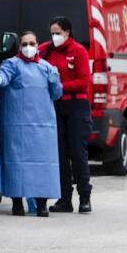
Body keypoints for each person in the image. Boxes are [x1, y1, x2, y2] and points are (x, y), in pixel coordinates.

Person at [0, 32, 63, 217]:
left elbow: (57, 94)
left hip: (43, 127)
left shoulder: (46, 68)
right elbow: (4, 75)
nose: (29, 47)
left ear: (37, 45)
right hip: (16, 126)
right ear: (19, 46)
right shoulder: (12, 64)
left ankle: (42, 203)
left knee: (43, 165)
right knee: (16, 164)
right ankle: (17, 202)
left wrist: (55, 80)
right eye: (25, 44)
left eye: (32, 43)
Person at [39, 16, 93, 214]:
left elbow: (83, 81)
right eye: (52, 33)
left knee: (78, 154)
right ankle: (64, 199)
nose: (54, 37)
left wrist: (60, 87)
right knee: (60, 155)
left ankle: (85, 197)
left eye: (58, 33)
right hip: (55, 107)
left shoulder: (78, 51)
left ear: (67, 33)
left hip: (76, 106)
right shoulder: (46, 50)